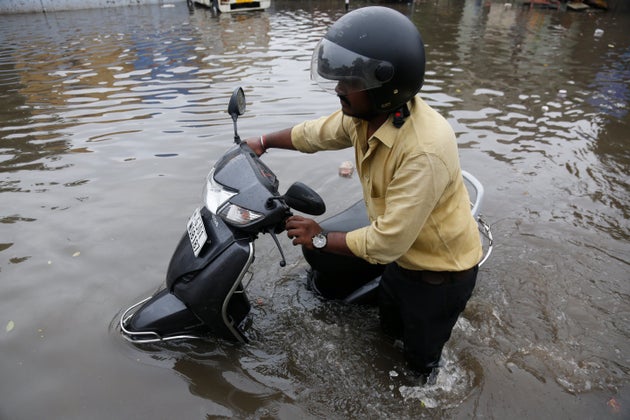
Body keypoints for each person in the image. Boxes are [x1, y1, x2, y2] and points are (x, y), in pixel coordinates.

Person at [245, 6, 482, 382]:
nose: (340, 88)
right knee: (385, 334)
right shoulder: (367, 115)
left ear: (385, 85)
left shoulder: (423, 149)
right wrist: (261, 142)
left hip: (439, 274)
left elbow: (387, 243)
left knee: (419, 368)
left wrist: (318, 236)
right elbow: (315, 133)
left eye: (350, 81)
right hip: (403, 264)